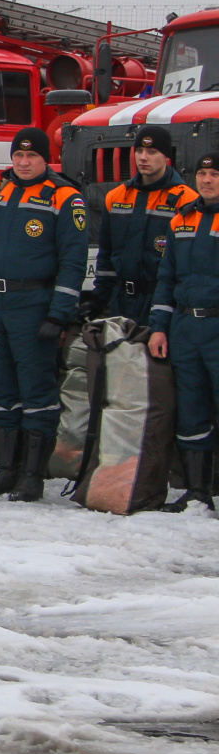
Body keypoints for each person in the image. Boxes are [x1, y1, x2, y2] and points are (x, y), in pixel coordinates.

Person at [0, 126, 88, 501]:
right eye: (19, 155)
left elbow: (73, 262)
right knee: (1, 387)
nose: (24, 162)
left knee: (36, 389)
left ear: (46, 159)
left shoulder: (65, 197)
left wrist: (59, 314)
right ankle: (5, 468)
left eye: (32, 156)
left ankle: (32, 475)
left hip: (33, 305)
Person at [147, 151, 219, 510]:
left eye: (215, 175)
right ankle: (197, 493)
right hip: (186, 328)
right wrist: (159, 328)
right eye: (202, 175)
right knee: (191, 410)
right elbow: (167, 279)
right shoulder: (181, 220)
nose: (206, 181)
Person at [92, 124, 194, 323]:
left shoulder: (186, 200)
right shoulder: (116, 196)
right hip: (121, 301)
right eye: (139, 150)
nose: (143, 157)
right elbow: (106, 253)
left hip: (162, 302)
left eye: (152, 152)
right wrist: (99, 298)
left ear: (166, 156)